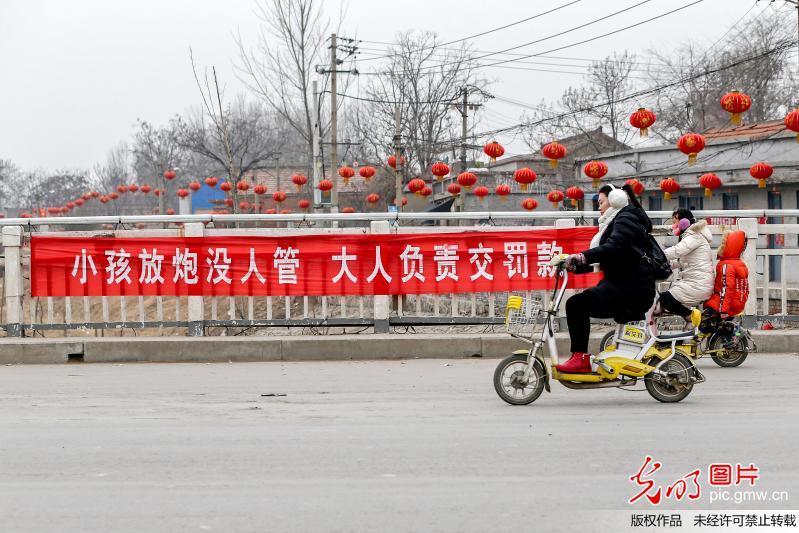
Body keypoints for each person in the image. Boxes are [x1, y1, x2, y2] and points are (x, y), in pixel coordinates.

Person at [557, 184, 656, 373]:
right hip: (626, 285)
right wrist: (575, 265)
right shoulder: (620, 220)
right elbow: (609, 257)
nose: (599, 208)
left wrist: (583, 255)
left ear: (615, 201)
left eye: (601, 202)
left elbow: (614, 247)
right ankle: (580, 357)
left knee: (576, 305)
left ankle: (580, 358)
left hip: (631, 289)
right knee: (578, 304)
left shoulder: (625, 219)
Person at [658, 209, 714, 319]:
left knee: (666, 299)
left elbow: (677, 251)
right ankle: (690, 323)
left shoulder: (694, 236)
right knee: (665, 298)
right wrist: (671, 264)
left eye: (675, 222)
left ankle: (691, 317)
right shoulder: (693, 235)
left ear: (684, 222)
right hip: (697, 282)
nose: (674, 225)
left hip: (698, 285)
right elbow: (685, 261)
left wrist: (657, 255)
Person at [702, 230, 750, 331]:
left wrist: (723, 310)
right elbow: (745, 287)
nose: (721, 246)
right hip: (737, 303)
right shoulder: (739, 264)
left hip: (726, 304)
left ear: (729, 247)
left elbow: (727, 288)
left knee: (702, 323)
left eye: (723, 243)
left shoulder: (727, 265)